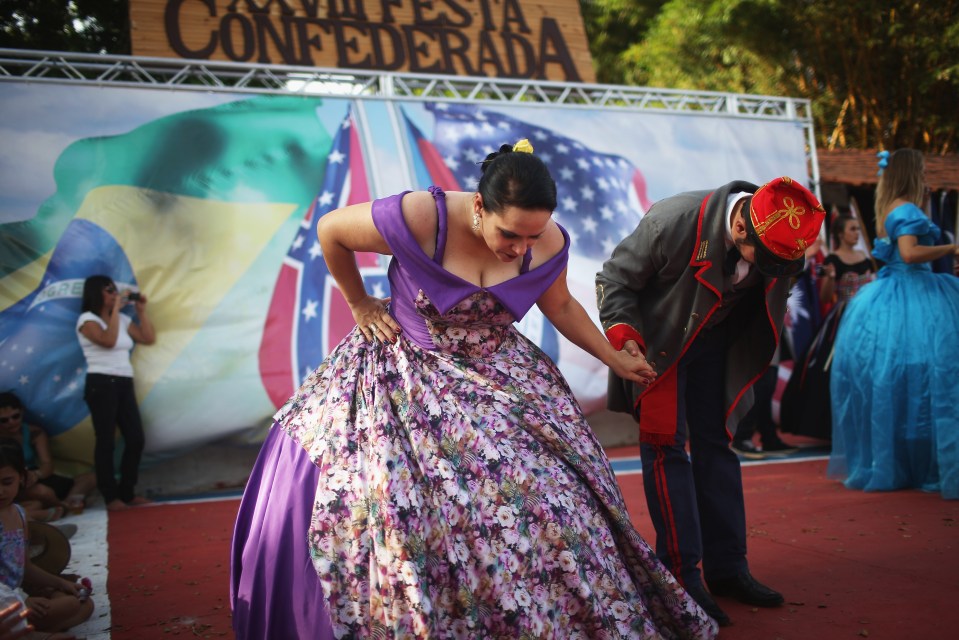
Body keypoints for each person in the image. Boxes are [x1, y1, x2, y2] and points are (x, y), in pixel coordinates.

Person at [231, 141, 718, 639]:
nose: (520, 249)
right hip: (404, 373)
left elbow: (563, 305)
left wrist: (613, 356)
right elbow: (331, 230)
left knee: (552, 500)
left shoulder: (546, 241)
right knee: (401, 508)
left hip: (499, 374)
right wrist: (359, 304)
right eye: (510, 234)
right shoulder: (421, 215)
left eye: (532, 236)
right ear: (479, 207)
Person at [596, 176, 826, 626]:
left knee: (718, 447)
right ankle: (682, 578)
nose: (779, 269)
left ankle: (729, 569)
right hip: (661, 345)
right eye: (772, 260)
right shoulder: (672, 221)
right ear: (741, 229)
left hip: (720, 345)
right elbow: (614, 280)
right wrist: (625, 338)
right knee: (667, 450)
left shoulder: (779, 233)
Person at [829, 149, 959, 499]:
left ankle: (904, 459)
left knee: (900, 379)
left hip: (898, 295)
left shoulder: (896, 206)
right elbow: (910, 253)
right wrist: (951, 248)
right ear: (912, 173)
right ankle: (928, 460)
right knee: (934, 376)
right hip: (916, 293)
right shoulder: (906, 209)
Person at [779, 212, 876, 442]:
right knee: (830, 367)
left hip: (868, 317)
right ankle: (830, 427)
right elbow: (824, 296)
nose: (856, 233)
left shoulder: (864, 256)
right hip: (843, 317)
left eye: (857, 229)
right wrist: (831, 278)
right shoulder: (831, 259)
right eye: (852, 229)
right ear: (840, 233)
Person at [76, 275, 155, 512]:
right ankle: (111, 497)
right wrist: (115, 311)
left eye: (115, 291)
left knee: (135, 438)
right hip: (101, 383)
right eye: (109, 291)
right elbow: (108, 341)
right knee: (106, 440)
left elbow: (148, 338)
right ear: (96, 293)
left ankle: (127, 492)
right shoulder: (86, 320)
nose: (114, 294)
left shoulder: (120, 318)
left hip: (123, 381)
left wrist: (140, 311)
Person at [0, 441, 93, 639]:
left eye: (7, 483)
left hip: (16, 599)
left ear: (22, 479)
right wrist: (23, 601)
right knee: (70, 605)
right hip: (6, 604)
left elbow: (26, 567)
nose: (0, 491)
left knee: (83, 603)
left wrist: (62, 584)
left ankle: (28, 630)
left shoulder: (19, 514)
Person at [0, 393, 96, 521]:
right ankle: (59, 508)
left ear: (22, 412)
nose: (11, 422)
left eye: (15, 416)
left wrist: (36, 475)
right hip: (12, 483)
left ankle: (60, 505)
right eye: (4, 420)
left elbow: (47, 464)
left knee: (90, 478)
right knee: (41, 493)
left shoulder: (34, 432)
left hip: (32, 476)